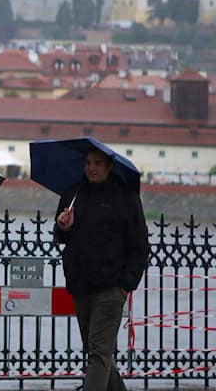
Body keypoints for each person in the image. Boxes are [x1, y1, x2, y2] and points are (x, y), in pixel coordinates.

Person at [53, 148, 150, 391]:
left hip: (111, 287)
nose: (91, 168)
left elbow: (140, 245)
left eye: (97, 163)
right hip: (80, 284)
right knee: (98, 351)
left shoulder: (126, 198)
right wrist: (63, 226)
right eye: (87, 162)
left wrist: (127, 284)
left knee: (98, 352)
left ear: (109, 166)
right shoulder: (74, 194)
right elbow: (60, 236)